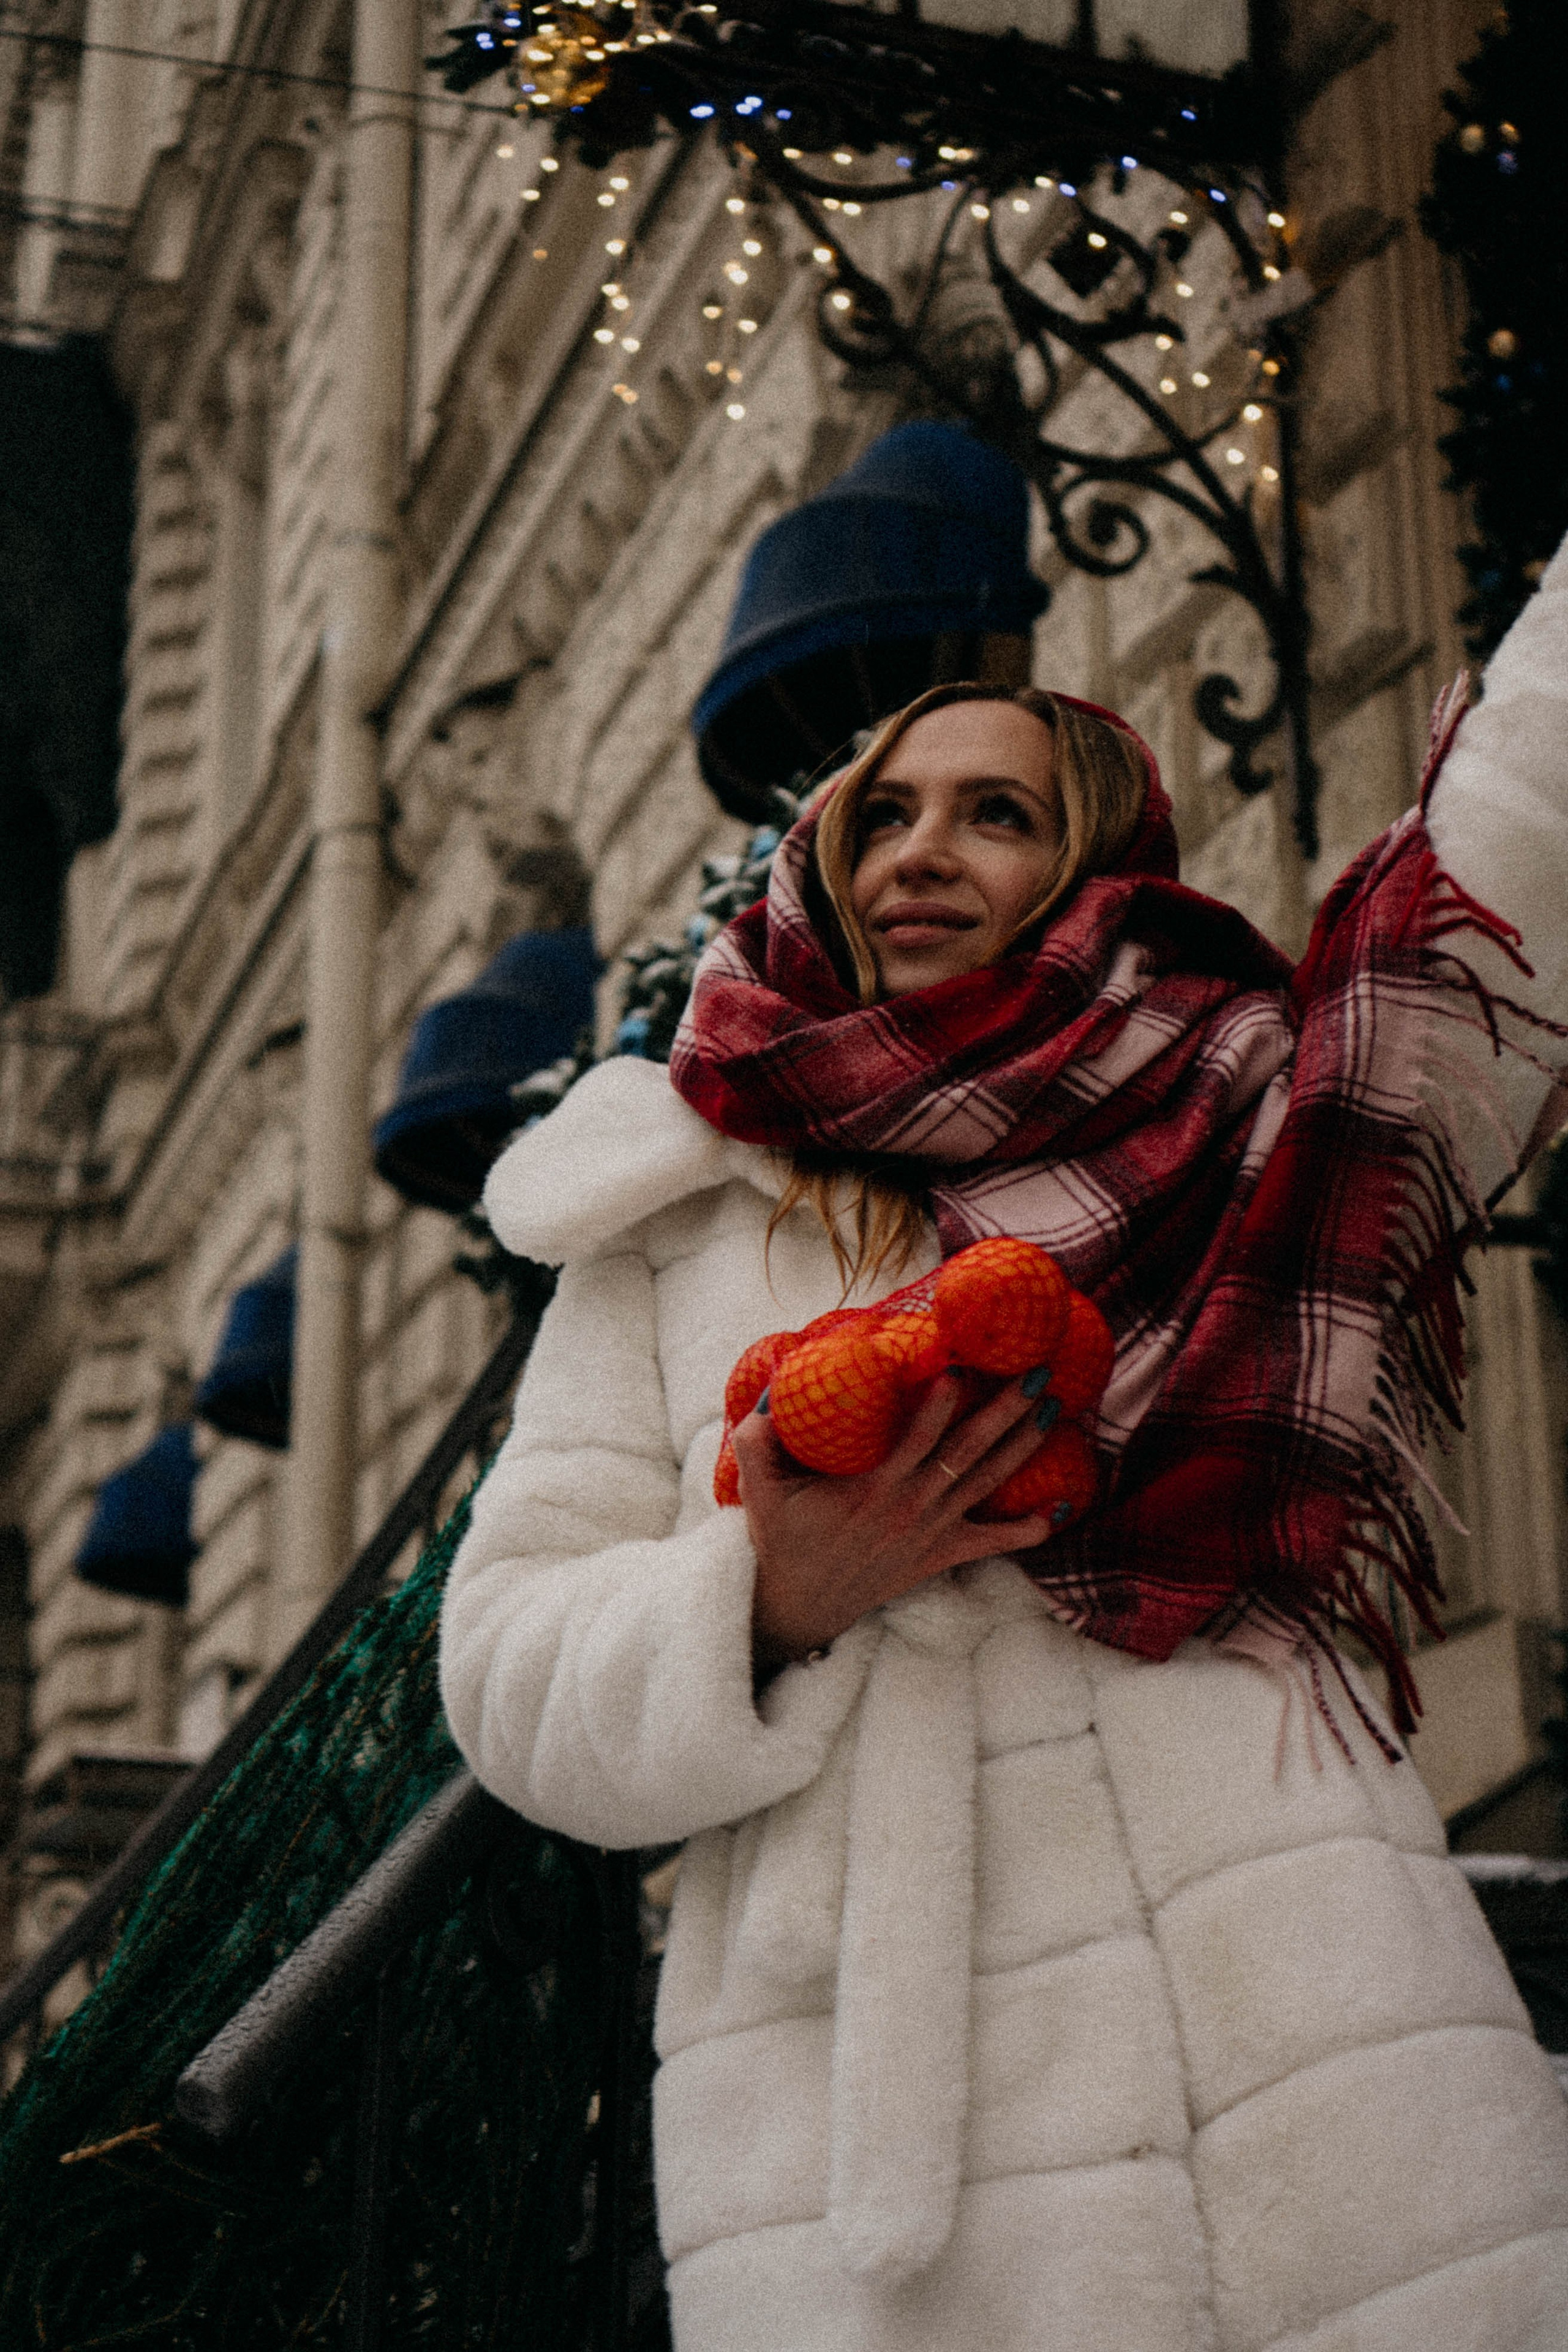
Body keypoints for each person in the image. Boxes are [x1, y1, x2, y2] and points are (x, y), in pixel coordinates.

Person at [439, 538, 1568, 2352]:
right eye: (882, 816)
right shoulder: (678, 1213)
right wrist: (766, 1600)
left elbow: (1511, 880)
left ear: (1092, 866)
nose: (918, 854)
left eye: (992, 814)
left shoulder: (1254, 1104)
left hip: (1309, 2032)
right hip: (886, 2136)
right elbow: (504, 1673)